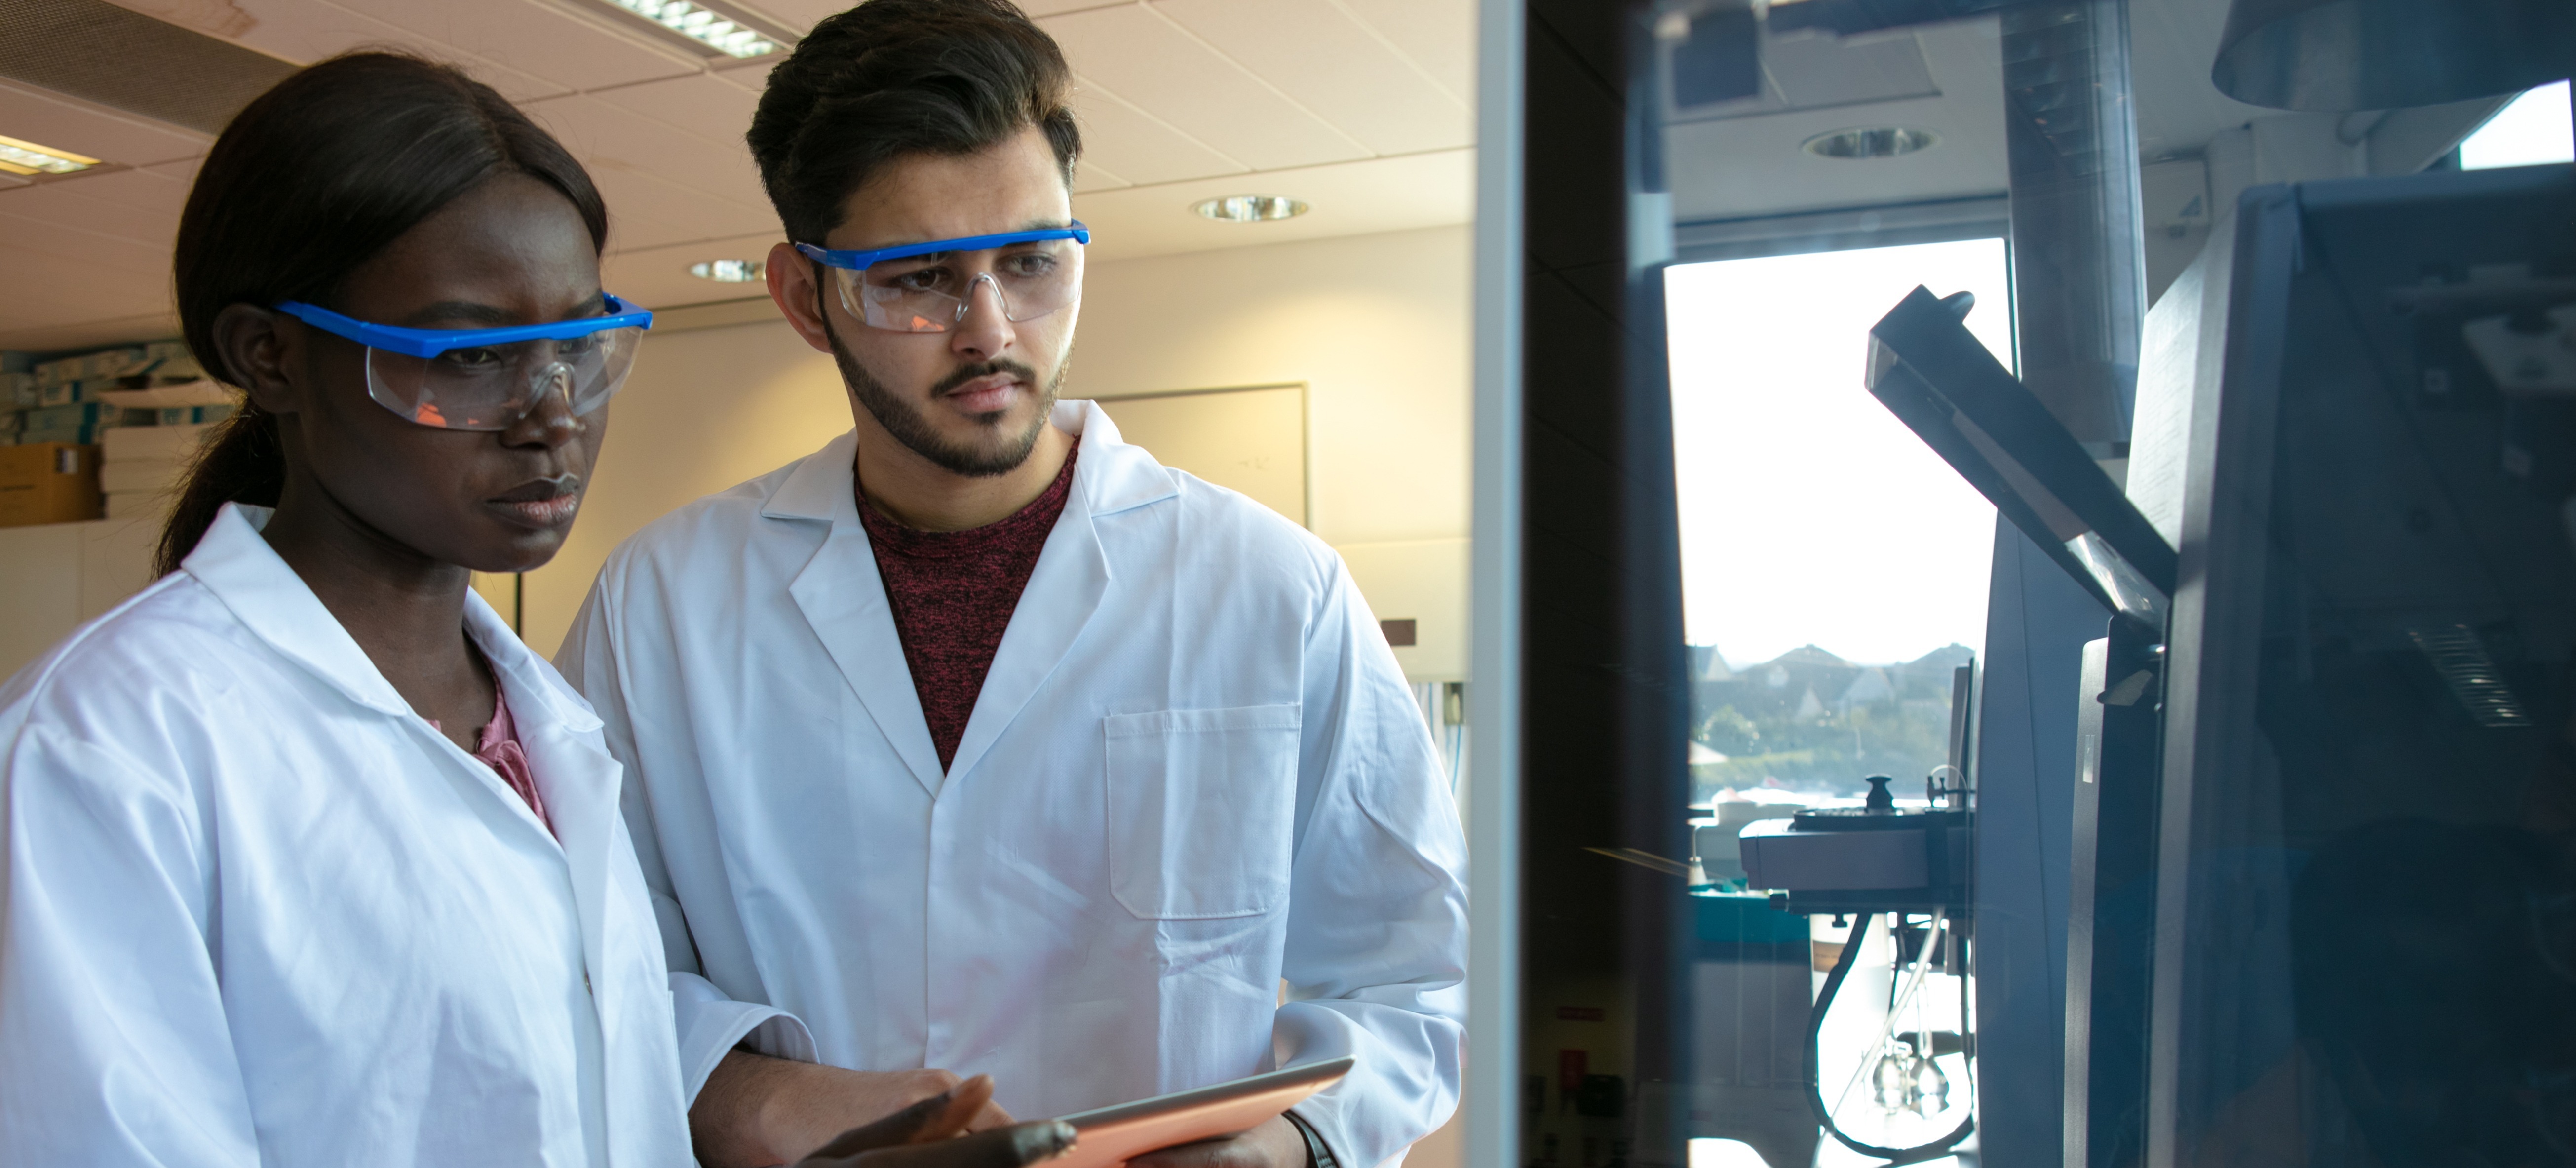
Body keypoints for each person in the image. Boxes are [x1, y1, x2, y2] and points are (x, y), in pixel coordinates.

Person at [0, 52, 1076, 1168]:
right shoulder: (104, 752)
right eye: (471, 355)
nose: (550, 415)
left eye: (577, 344)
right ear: (267, 356)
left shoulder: (542, 725)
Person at [554, 2, 1470, 1166]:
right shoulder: (662, 607)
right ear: (804, 298)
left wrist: (1288, 1143)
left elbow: (1417, 976)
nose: (991, 331)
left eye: (1032, 264)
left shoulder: (1272, 591)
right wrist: (754, 1100)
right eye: (921, 278)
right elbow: (577, 953)